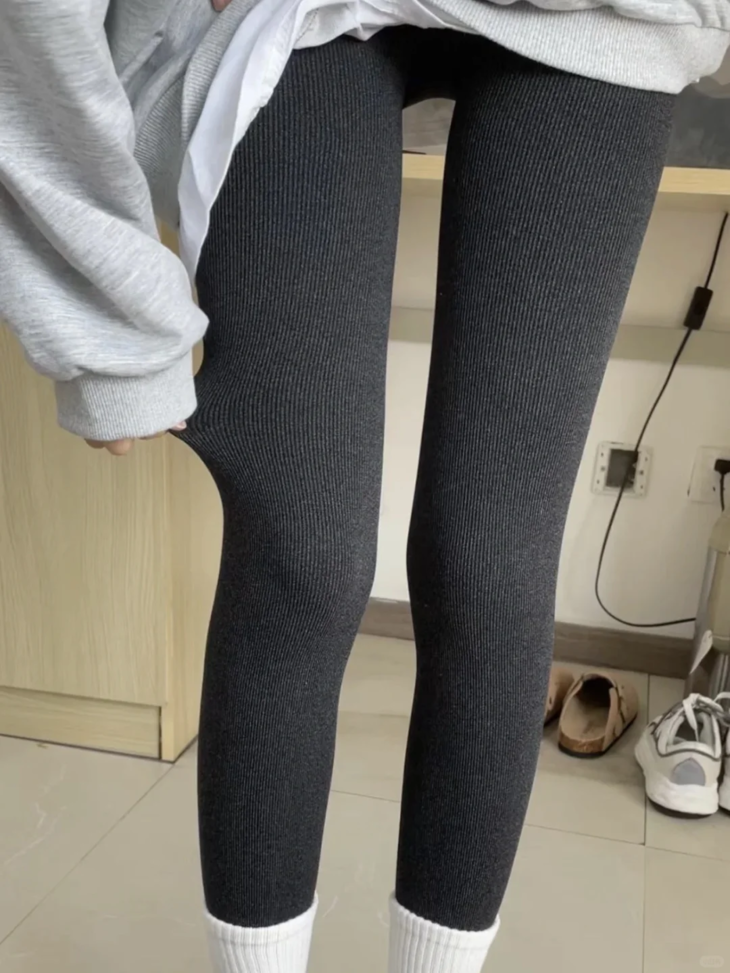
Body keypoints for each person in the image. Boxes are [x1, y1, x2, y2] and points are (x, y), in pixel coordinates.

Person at [1, 2, 728, 971]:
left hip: (605, 17)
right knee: (299, 564)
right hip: (288, 16)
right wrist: (111, 332)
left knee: (491, 567)